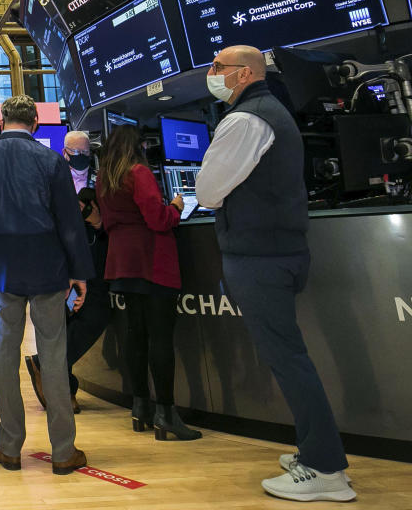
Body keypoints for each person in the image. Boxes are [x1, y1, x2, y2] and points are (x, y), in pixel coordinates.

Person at [196, 45, 354, 502]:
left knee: (288, 359)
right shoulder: (268, 111)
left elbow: (207, 190)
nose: (212, 73)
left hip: (259, 259)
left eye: (219, 67)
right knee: (290, 356)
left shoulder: (245, 120)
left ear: (244, 73)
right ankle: (315, 451)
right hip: (277, 252)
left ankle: (326, 471)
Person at [0, 95, 91, 476]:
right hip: (48, 268)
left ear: (0, 124)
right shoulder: (51, 161)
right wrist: (79, 272)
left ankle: (9, 446)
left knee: (4, 354)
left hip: (1, 270)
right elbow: (69, 222)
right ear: (35, 125)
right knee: (53, 357)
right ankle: (64, 451)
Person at [95, 125, 200, 441]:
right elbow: (158, 219)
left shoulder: (104, 178)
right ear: (137, 146)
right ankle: (166, 414)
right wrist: (177, 208)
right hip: (152, 261)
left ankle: (140, 407)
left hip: (123, 263)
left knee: (134, 335)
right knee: (160, 339)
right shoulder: (138, 172)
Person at [25, 186, 111, 415]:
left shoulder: (90, 196)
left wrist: (98, 223)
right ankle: (53, 377)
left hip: (81, 273)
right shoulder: (55, 191)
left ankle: (59, 383)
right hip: (59, 271)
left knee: (75, 323)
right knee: (69, 323)